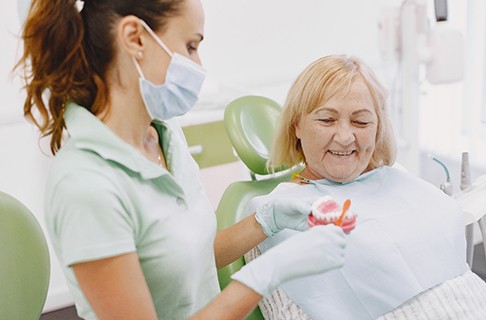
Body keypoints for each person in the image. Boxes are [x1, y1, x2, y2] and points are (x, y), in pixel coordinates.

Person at [15, 1, 349, 319]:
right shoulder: (86, 184)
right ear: (135, 38)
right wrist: (268, 273)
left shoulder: (165, 136)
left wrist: (267, 219)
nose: (199, 65)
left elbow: (186, 261)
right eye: (191, 46)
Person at [242, 55, 486, 320]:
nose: (346, 137)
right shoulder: (274, 217)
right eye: (326, 120)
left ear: (378, 126)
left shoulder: (397, 177)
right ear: (297, 125)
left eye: (361, 122)